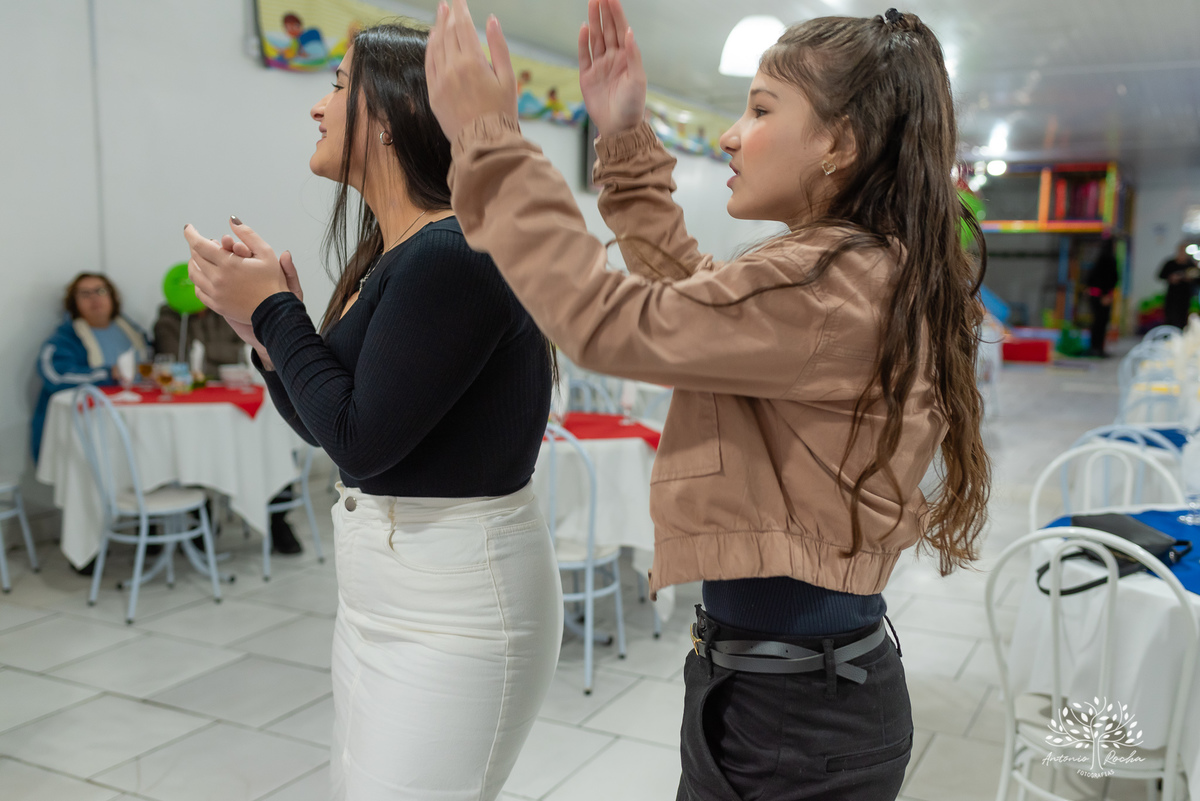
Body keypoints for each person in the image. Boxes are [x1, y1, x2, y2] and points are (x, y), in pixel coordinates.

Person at [425, 1, 990, 798]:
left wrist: (491, 143)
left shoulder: (832, 283)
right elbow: (691, 294)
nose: (731, 134)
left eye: (761, 109)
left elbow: (608, 319)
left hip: (794, 708)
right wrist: (621, 137)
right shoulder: (848, 269)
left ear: (842, 143)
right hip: (783, 688)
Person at [183, 23, 561, 801]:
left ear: (391, 111)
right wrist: (262, 331)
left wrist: (281, 314)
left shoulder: (456, 253)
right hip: (382, 589)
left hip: (456, 601)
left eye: (334, 85)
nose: (316, 110)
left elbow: (366, 440)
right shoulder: (395, 254)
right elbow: (336, 429)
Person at [153, 304, 304, 554]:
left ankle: (278, 520)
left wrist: (204, 355)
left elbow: (246, 353)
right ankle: (199, 519)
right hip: (195, 411)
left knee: (266, 446)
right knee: (191, 447)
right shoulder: (169, 319)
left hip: (238, 407)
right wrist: (220, 360)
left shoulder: (229, 310)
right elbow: (179, 362)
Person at [32, 273, 150, 462]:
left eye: (100, 291)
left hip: (135, 422)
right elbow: (56, 377)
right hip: (88, 430)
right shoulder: (63, 340)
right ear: (74, 303)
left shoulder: (133, 332)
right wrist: (108, 373)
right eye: (85, 294)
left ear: (113, 297)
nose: (94, 298)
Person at [1084, 239, 1119, 357]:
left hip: (1097, 295)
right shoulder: (1108, 260)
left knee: (1098, 323)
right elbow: (1109, 279)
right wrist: (1105, 295)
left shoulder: (1100, 259)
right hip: (1101, 296)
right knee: (1100, 323)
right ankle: (1096, 348)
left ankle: (1096, 347)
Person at [1159, 242, 1197, 329]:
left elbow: (1197, 279)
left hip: (1185, 296)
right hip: (1172, 295)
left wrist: (1190, 279)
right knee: (1170, 317)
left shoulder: (1190, 265)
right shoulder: (1170, 263)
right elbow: (1161, 275)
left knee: (1183, 318)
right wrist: (1171, 277)